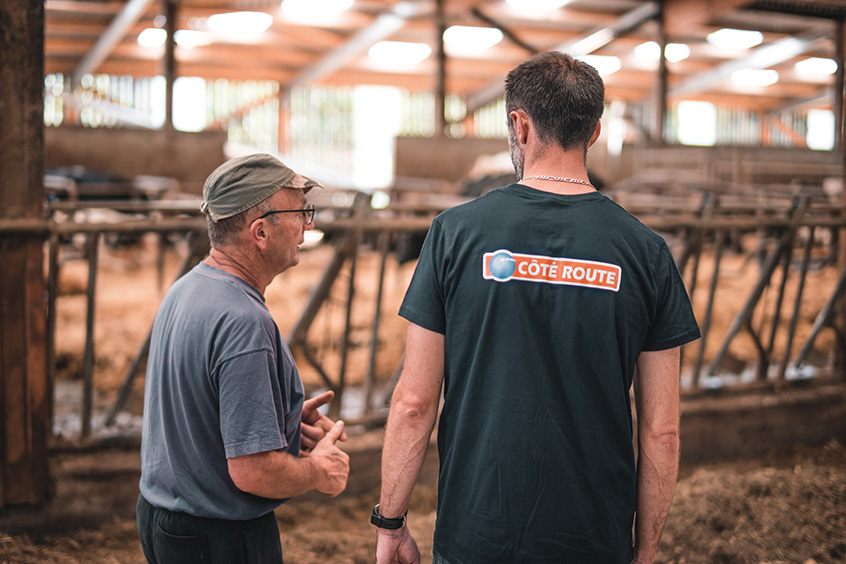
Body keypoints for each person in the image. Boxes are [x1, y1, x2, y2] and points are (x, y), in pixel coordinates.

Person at [374, 51, 700, 564]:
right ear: (594, 133)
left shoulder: (454, 234)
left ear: (518, 126)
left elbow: (413, 404)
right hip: (594, 539)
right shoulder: (647, 252)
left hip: (477, 533)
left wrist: (390, 522)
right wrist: (646, 549)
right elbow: (662, 430)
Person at [137, 153, 350, 564]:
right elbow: (252, 471)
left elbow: (200, 404)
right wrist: (321, 471)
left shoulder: (188, 288)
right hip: (217, 538)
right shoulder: (244, 320)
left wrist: (274, 419)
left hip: (164, 519)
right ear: (260, 232)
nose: (308, 224)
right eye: (301, 211)